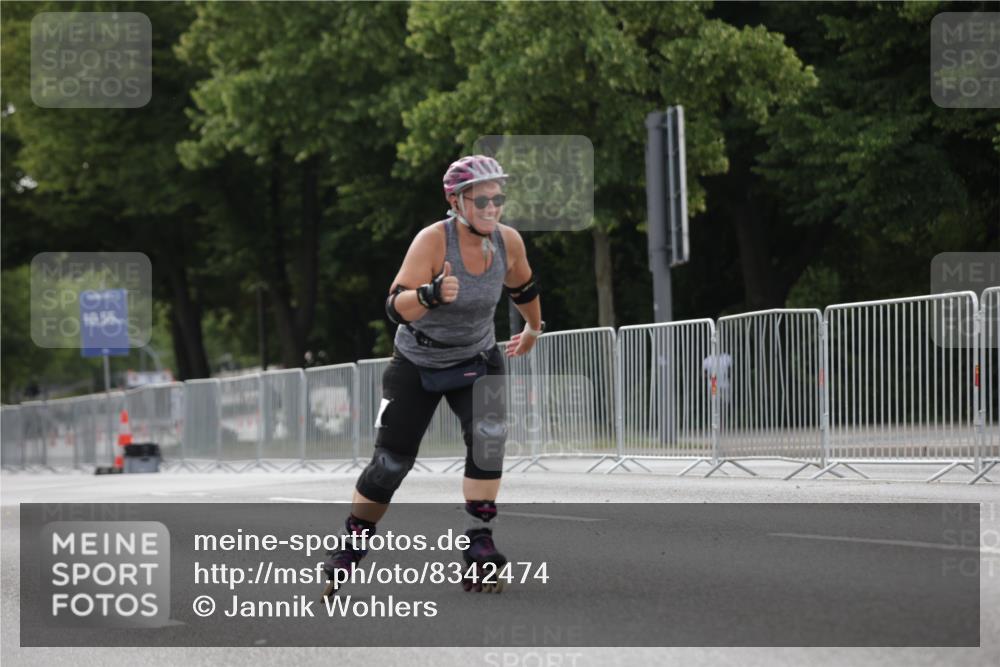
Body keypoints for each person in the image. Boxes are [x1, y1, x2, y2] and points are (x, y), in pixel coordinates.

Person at [323, 155, 544, 596]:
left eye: (497, 198)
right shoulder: (432, 241)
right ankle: (351, 545)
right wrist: (429, 294)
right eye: (480, 199)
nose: (491, 207)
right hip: (417, 363)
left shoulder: (508, 242)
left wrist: (533, 326)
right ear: (456, 201)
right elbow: (394, 305)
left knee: (489, 440)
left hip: (478, 359)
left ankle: (479, 542)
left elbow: (523, 287)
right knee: (390, 464)